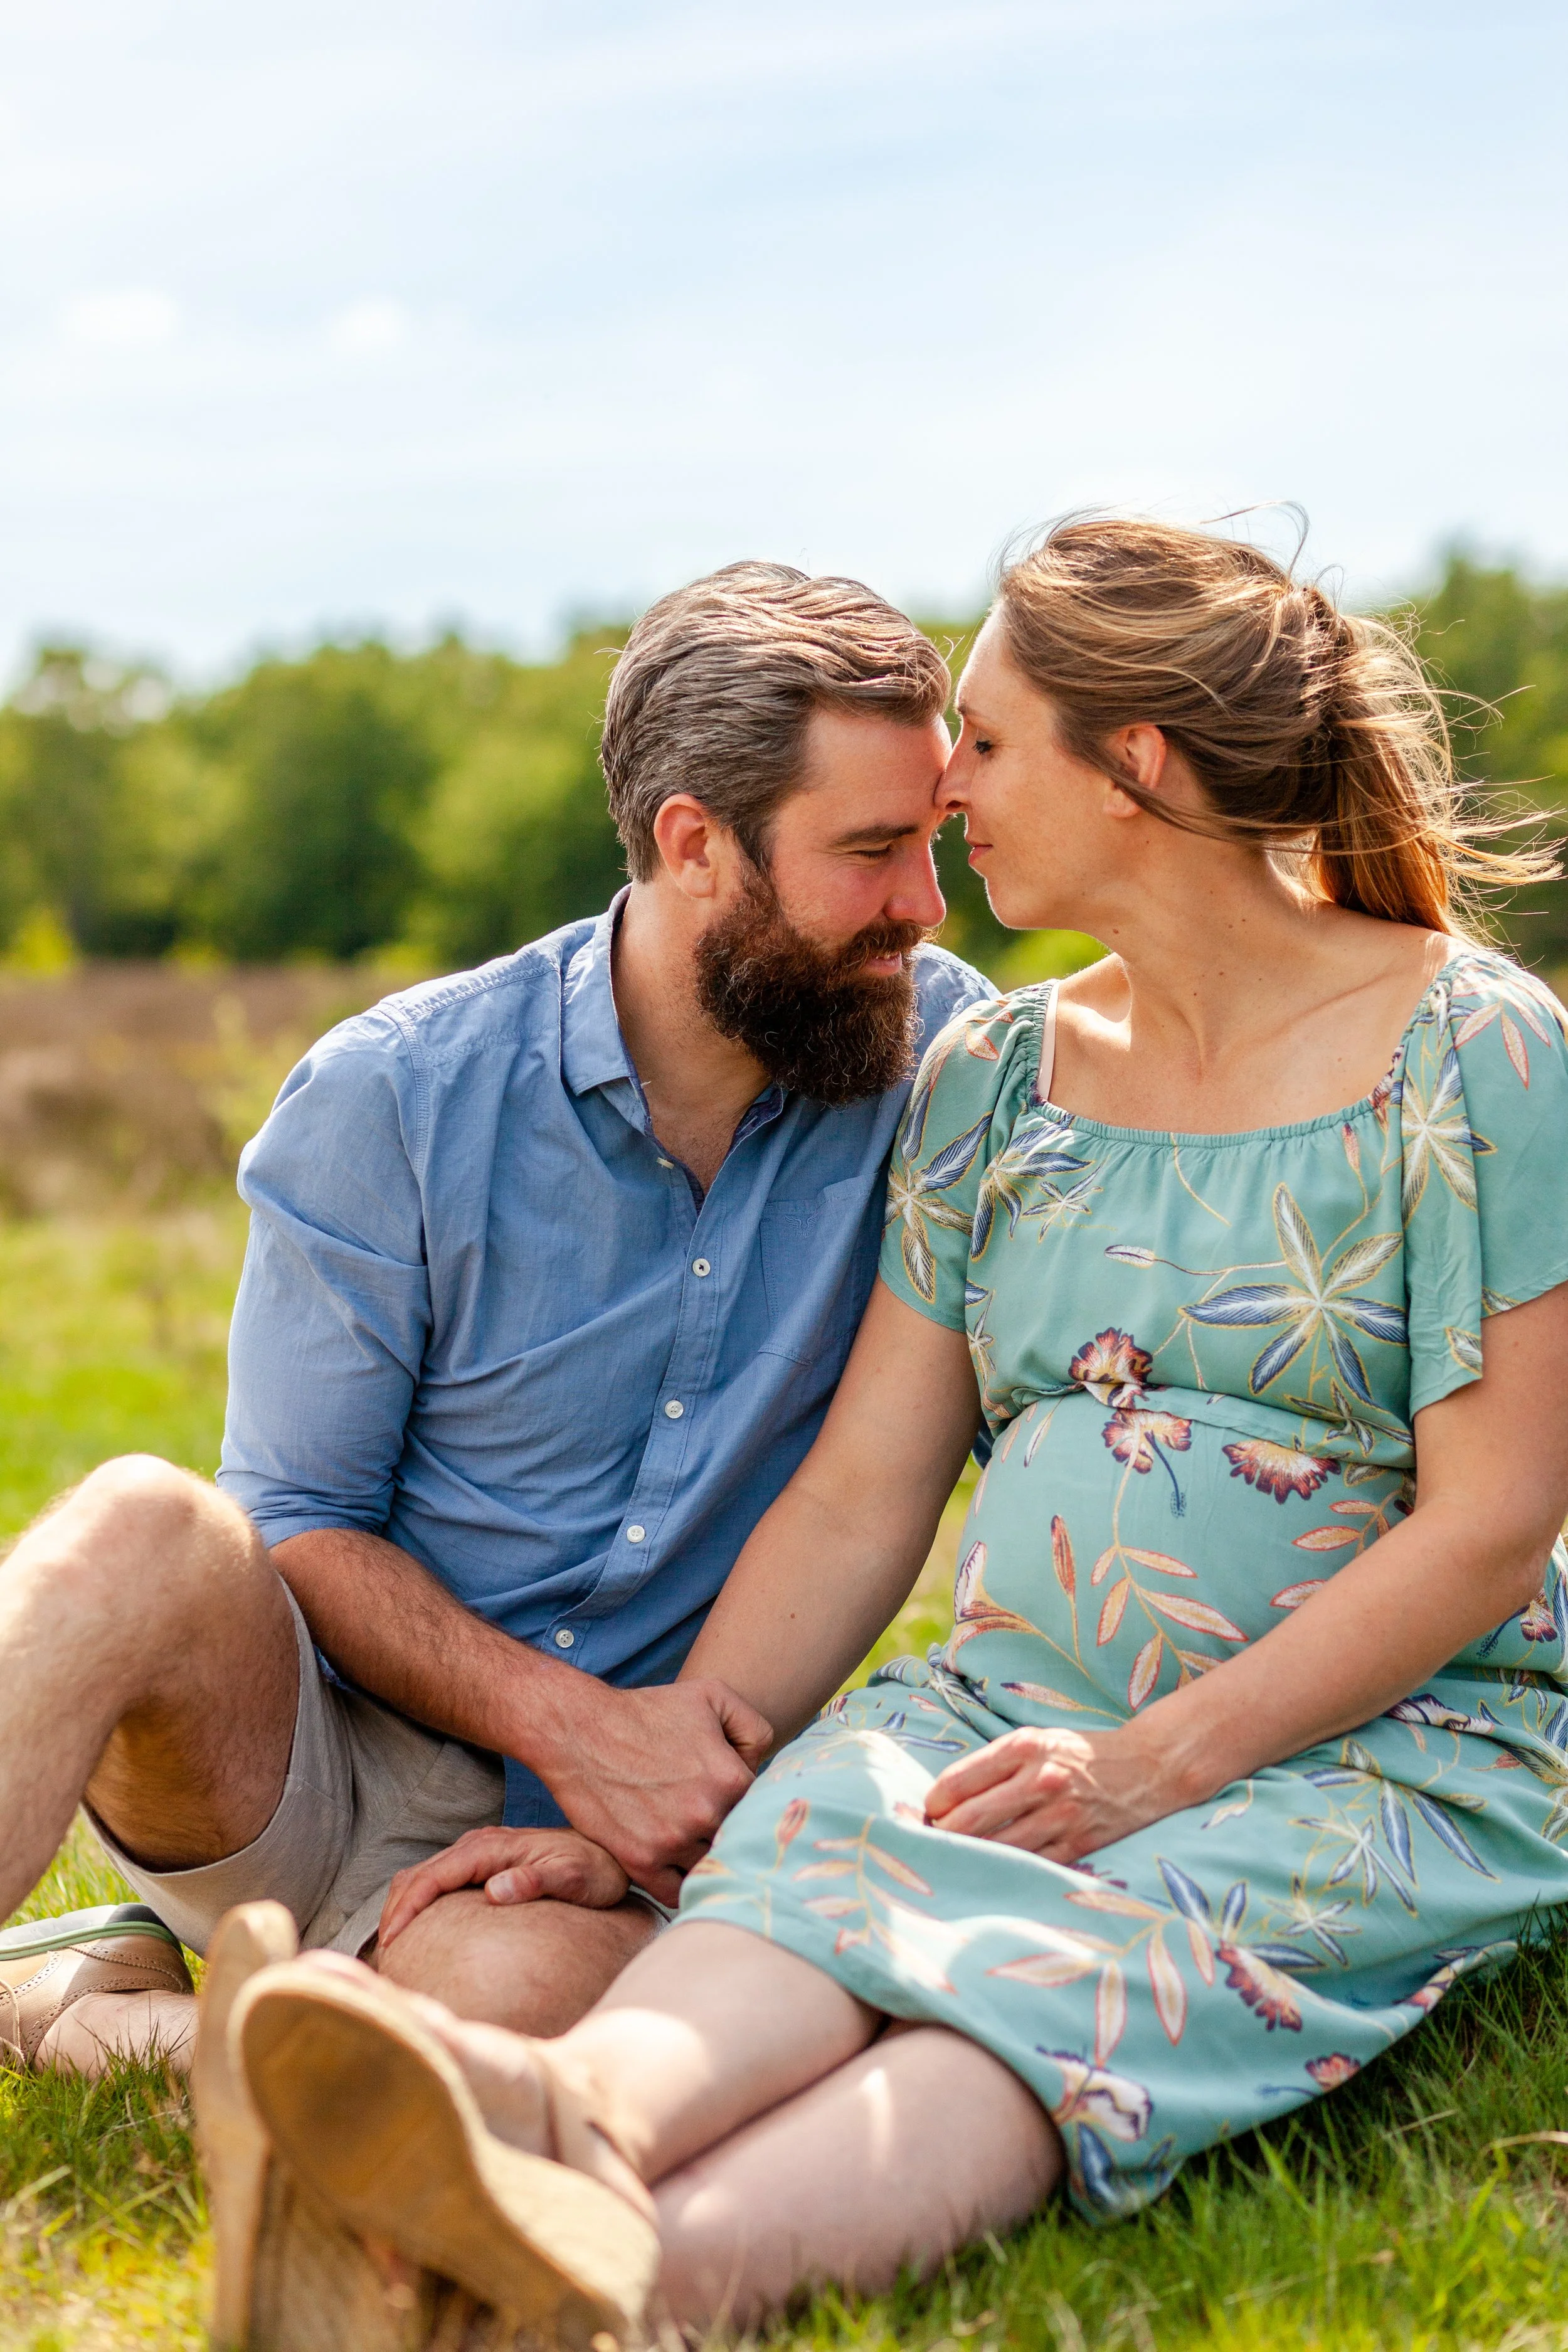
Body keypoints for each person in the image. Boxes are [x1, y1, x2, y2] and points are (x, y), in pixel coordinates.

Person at [216, 514, 1568, 2338]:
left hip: (1362, 1748)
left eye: (988, 747)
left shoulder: (1469, 1053)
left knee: (1038, 1975)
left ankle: (582, 2298)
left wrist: (1152, 1763)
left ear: (1138, 765)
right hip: (1008, 1712)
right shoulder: (991, 1076)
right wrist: (657, 1793)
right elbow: (860, 1491)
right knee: (805, 1863)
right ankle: (555, 2128)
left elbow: (1491, 1522)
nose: (953, 802)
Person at [0, 562, 995, 2079]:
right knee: (141, 1522)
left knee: (509, 2010)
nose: (920, 910)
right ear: (694, 846)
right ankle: (198, 1976)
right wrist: (568, 1725)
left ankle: (112, 2020)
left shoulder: (952, 1072)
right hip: (311, 1769)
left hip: (626, 1832)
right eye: (870, 853)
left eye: (930, 845)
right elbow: (306, 1519)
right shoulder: (392, 1094)